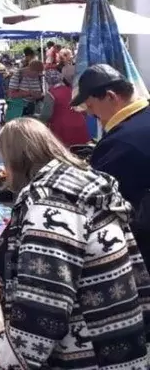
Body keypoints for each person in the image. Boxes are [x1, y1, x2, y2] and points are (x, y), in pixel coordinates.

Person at [0, 118, 150, 368]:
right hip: (118, 344)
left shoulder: (51, 204)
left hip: (91, 354)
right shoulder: (82, 186)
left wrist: (1, 351)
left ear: (15, 161)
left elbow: (46, 299)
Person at [78, 64, 150, 263]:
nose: (91, 115)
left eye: (91, 106)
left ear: (111, 97)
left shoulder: (119, 143)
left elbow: (97, 202)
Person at [45, 65, 89, 148]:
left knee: (65, 153)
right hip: (80, 125)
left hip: (61, 128)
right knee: (81, 152)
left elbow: (46, 115)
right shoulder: (73, 90)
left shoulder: (51, 93)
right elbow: (84, 109)